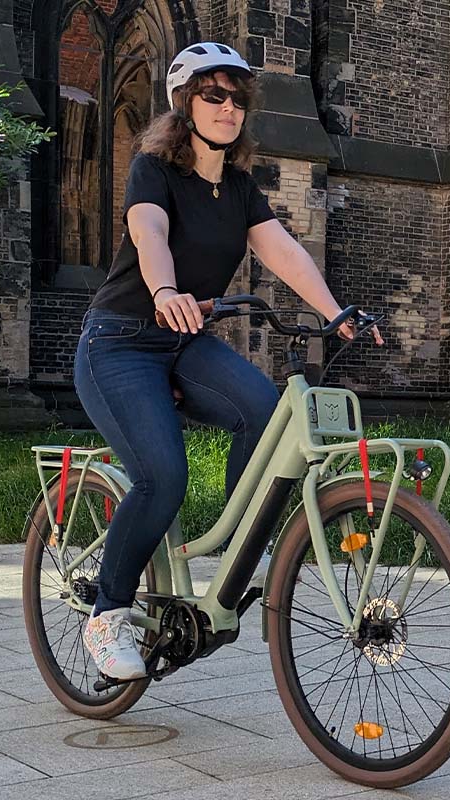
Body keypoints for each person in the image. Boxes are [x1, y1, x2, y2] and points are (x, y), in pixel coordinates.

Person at [74, 42, 383, 681]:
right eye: (213, 95)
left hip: (185, 344)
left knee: (264, 415)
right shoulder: (154, 170)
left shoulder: (240, 188)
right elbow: (148, 234)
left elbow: (285, 253)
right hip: (121, 342)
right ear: (185, 104)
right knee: (162, 477)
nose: (228, 107)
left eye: (238, 98)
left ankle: (240, 550)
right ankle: (107, 616)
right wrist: (163, 291)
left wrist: (335, 312)